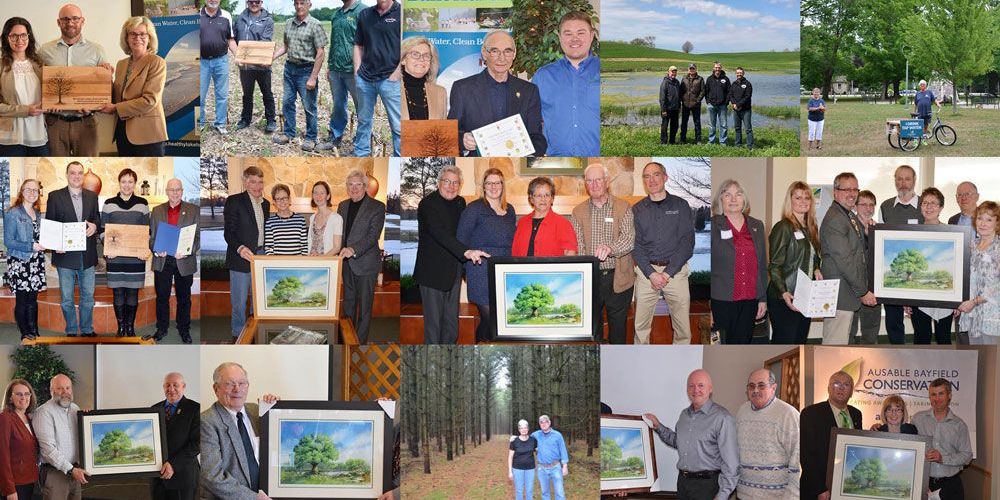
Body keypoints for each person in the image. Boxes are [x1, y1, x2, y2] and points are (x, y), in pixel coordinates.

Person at [415, 166, 489, 344]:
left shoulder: (460, 203)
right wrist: (466, 252)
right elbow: (439, 233)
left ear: (460, 185)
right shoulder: (427, 204)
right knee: (434, 328)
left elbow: (465, 233)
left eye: (455, 182)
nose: (451, 186)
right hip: (431, 274)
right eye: (447, 181)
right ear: (439, 183)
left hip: (453, 272)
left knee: (451, 325)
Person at [643, 369, 739, 499]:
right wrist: (658, 426)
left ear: (710, 389)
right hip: (683, 483)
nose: (695, 390)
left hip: (708, 487)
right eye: (691, 386)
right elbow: (678, 442)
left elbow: (731, 463)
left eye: (701, 385)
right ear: (687, 390)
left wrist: (722, 495)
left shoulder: (722, 418)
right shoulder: (684, 415)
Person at [448, 30, 545, 156]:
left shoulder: (529, 91)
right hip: (475, 166)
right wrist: (463, 140)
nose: (502, 57)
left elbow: (537, 138)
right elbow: (450, 134)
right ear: (484, 53)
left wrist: (529, 153)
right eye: (495, 51)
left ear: (514, 54)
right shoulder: (462, 88)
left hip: (515, 166)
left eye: (507, 51)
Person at [632, 162, 695, 344]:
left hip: (675, 272)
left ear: (665, 177)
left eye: (656, 174)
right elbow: (636, 245)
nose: (651, 180)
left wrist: (667, 273)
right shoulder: (637, 210)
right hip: (646, 273)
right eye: (647, 176)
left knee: (683, 328)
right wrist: (651, 274)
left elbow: (687, 243)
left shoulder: (681, 205)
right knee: (640, 328)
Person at [571, 164, 635, 344]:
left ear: (607, 182)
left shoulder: (623, 207)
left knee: (618, 328)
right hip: (592, 278)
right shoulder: (578, 211)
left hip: (618, 277)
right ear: (586, 184)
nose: (594, 184)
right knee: (592, 328)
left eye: (598, 179)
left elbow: (629, 239)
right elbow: (579, 246)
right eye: (589, 180)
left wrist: (610, 248)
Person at [39, 4, 112, 156]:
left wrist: (106, 74)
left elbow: (105, 87)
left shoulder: (97, 50)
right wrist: (47, 103)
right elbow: (39, 84)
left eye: (75, 18)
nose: (70, 23)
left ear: (82, 21)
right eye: (65, 19)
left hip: (86, 122)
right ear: (59, 22)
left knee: (89, 164)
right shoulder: (45, 51)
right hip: (55, 122)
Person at [200, 363, 279, 500]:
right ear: (216, 388)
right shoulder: (206, 421)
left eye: (242, 383)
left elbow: (279, 443)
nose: (237, 389)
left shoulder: (256, 411)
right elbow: (211, 476)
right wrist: (253, 498)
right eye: (230, 384)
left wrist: (278, 409)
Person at [457, 168, 516, 342]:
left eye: (497, 182)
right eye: (489, 183)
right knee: (490, 317)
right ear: (483, 186)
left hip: (504, 269)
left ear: (503, 185)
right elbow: (461, 240)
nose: (493, 186)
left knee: (498, 318)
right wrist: (464, 269)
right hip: (480, 269)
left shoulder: (510, 210)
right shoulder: (474, 208)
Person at [531, 11, 599, 156]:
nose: (574, 39)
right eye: (568, 34)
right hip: (555, 160)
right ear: (560, 37)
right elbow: (530, 122)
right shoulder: (543, 76)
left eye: (581, 33)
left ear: (591, 36)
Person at [45, 161, 101, 337]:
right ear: (67, 174)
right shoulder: (54, 196)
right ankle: (70, 329)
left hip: (88, 256)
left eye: (79, 173)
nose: (76, 176)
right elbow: (50, 226)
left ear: (83, 176)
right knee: (67, 299)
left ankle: (86, 329)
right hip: (65, 257)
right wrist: (55, 246)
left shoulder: (92, 196)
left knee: (88, 298)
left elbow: (97, 220)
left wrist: (94, 226)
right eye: (72, 173)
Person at [819, 172, 876, 344]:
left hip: (847, 293)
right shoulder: (836, 219)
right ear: (835, 192)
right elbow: (845, 261)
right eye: (846, 189)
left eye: (855, 189)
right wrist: (863, 291)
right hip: (840, 295)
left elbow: (859, 251)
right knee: (835, 343)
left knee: (842, 342)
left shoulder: (848, 215)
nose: (852, 194)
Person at [98, 17, 167, 156]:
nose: (138, 38)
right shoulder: (121, 64)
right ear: (126, 38)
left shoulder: (157, 62)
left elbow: (150, 100)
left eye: (142, 34)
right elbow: (118, 96)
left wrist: (116, 108)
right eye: (133, 34)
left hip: (148, 134)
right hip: (122, 132)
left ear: (149, 38)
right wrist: (105, 76)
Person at [710, 179, 767, 344]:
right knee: (718, 346)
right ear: (721, 199)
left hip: (750, 301)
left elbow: (762, 265)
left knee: (742, 343)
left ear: (744, 199)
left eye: (738, 194)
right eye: (728, 195)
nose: (733, 199)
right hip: (721, 302)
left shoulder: (757, 226)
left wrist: (762, 298)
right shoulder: (714, 226)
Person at [767, 181, 822, 344]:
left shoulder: (811, 227)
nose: (803, 201)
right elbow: (775, 265)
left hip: (804, 295)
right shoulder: (783, 227)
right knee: (785, 342)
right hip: (784, 296)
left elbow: (812, 256)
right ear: (790, 201)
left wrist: (817, 269)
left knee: (800, 341)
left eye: (807, 197)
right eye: (798, 197)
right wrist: (784, 292)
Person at [271, 0, 327, 151]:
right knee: (287, 103)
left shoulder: (315, 24)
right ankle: (289, 133)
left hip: (306, 70)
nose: (299, 6)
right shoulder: (289, 23)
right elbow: (286, 46)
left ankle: (311, 137)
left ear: (309, 5)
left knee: (309, 107)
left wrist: (313, 77)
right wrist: (272, 56)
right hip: (289, 69)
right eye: (296, 3)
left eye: (302, 3)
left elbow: (321, 53)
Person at [147, 179, 198, 344]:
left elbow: (197, 238)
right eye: (172, 190)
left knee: (184, 298)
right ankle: (161, 329)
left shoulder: (193, 210)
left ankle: (184, 330)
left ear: (182, 191)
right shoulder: (156, 211)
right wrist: (156, 249)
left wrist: (187, 251)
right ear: (167, 191)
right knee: (162, 297)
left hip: (184, 260)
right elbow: (152, 238)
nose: (175, 193)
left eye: (178, 190)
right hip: (163, 260)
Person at [337, 171, 386, 343]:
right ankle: (347, 339)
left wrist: (353, 249)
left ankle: (360, 343)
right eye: (351, 184)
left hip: (366, 264)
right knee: (348, 304)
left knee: (365, 308)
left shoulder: (377, 207)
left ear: (365, 187)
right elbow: (340, 234)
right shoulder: (342, 206)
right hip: (347, 264)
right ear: (347, 187)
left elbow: (373, 236)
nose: (354, 188)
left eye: (358, 184)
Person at [735, 368, 799, 499]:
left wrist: (791, 496)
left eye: (761, 386)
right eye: (751, 386)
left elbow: (797, 459)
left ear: (773, 387)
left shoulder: (788, 414)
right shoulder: (742, 411)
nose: (756, 390)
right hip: (743, 494)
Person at [101, 168, 150, 337]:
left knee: (132, 293)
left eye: (130, 181)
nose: (127, 185)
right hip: (115, 258)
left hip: (136, 259)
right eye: (124, 181)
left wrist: (144, 249)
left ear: (135, 183)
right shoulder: (108, 203)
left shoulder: (143, 204)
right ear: (119, 183)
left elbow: (147, 231)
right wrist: (108, 249)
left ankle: (130, 327)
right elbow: (102, 230)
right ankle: (120, 326)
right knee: (118, 292)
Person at [799, 371, 861, 500]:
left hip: (847, 486)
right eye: (836, 383)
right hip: (819, 490)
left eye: (846, 384)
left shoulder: (856, 414)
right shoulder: (811, 413)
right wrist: (820, 489)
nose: (841, 387)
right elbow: (806, 454)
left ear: (851, 391)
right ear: (828, 388)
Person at [352, 0, 402, 156]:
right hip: (365, 79)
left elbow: (410, 46)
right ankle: (361, 154)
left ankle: (400, 157)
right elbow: (358, 45)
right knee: (363, 121)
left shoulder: (401, 13)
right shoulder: (365, 14)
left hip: (391, 79)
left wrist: (396, 74)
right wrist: (357, 71)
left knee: (398, 125)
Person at [224, 167, 269, 340]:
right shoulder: (234, 201)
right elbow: (229, 232)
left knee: (257, 302)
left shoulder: (265, 203)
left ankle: (255, 333)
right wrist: (240, 248)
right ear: (245, 182)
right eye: (252, 181)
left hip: (261, 257)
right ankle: (238, 336)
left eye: (260, 181)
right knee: (239, 303)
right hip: (240, 258)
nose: (257, 186)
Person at [880, 164, 922, 344]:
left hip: (919, 273)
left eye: (907, 179)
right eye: (899, 178)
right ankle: (897, 351)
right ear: (894, 181)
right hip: (892, 273)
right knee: (893, 320)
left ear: (914, 181)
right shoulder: (885, 206)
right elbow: (880, 241)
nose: (903, 183)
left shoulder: (924, 205)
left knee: (921, 321)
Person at [912, 378, 973, 499]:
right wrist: (880, 427)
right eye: (933, 394)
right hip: (924, 484)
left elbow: (967, 456)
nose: (937, 398)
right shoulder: (918, 419)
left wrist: (942, 458)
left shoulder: (959, 425)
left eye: (941, 394)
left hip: (951, 485)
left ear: (949, 395)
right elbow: (906, 442)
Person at [909, 187, 954, 344]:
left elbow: (957, 270)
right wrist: (906, 299)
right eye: (925, 203)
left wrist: (957, 300)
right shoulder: (911, 234)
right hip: (919, 297)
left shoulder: (953, 234)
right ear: (920, 207)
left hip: (946, 297)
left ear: (941, 208)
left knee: (944, 338)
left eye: (933, 203)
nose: (929, 207)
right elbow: (910, 268)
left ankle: (947, 369)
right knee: (921, 337)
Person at [317, 0, 363, 149]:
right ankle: (335, 137)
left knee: (362, 107)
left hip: (355, 71)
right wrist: (330, 65)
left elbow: (367, 43)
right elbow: (334, 42)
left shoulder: (363, 11)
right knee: (338, 105)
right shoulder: (336, 15)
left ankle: (361, 141)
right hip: (336, 70)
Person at [33, 374, 88, 500]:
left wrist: (86, 418)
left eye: (68, 388)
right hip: (55, 474)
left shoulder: (75, 409)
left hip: (75, 471)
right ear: (51, 391)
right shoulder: (44, 412)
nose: (65, 392)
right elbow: (48, 450)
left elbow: (81, 438)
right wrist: (71, 470)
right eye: (60, 388)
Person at [4, 179, 46, 340]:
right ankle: (24, 331)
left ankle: (33, 329)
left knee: (32, 299)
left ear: (38, 194)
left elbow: (42, 238)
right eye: (28, 189)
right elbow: (9, 241)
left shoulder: (38, 214)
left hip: (36, 262)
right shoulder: (13, 213)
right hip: (20, 262)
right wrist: (31, 246)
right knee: (22, 299)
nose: (32, 192)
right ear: (22, 191)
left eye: (35, 190)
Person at [0, 17, 47, 156]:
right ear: (6, 38)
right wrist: (24, 110)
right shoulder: (1, 66)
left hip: (38, 132)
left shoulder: (40, 64)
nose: (19, 40)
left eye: (23, 35)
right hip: (10, 136)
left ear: (29, 37)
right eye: (14, 36)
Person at [150, 373, 199, 500]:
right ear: (163, 387)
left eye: (175, 385)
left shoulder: (195, 409)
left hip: (182, 478)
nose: (171, 389)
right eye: (167, 385)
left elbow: (197, 443)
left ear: (183, 386)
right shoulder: (153, 409)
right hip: (157, 478)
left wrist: (173, 464)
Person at [957, 201, 1000, 345]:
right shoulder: (971, 245)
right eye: (980, 218)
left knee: (993, 362)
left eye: (989, 219)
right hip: (972, 313)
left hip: (992, 314)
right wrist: (958, 302)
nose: (983, 223)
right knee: (977, 360)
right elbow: (964, 277)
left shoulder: (998, 248)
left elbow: (997, 286)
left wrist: (974, 302)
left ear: (997, 223)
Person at [233, 0, 277, 133]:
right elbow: (235, 39)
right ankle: (246, 119)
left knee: (267, 94)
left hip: (262, 66)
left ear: (261, 2)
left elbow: (265, 41)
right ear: (247, 2)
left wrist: (252, 55)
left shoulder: (268, 20)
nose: (254, 4)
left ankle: (270, 120)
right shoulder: (239, 19)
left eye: (257, 1)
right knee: (247, 95)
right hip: (245, 67)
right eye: (251, 1)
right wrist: (239, 55)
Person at [512, 177, 577, 257]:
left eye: (547, 195)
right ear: (531, 199)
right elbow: (515, 252)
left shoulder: (563, 223)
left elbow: (570, 253)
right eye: (539, 195)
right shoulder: (522, 223)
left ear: (552, 198)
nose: (543, 199)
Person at [849, 190, 882, 344]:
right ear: (855, 206)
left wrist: (872, 235)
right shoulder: (847, 226)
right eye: (863, 204)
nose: (868, 208)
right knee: (849, 332)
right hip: (852, 289)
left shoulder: (878, 230)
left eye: (871, 205)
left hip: (872, 289)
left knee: (870, 333)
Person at [200, 0, 237, 134]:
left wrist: (238, 55)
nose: (213, 0)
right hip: (201, 62)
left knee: (222, 95)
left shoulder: (226, 16)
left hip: (221, 61)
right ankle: (200, 123)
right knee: (199, 96)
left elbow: (230, 39)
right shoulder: (196, 16)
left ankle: (220, 123)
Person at [0, 379, 38, 500]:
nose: (23, 397)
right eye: (19, 394)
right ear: (10, 397)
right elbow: (2, 455)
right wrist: (9, 489)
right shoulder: (5, 417)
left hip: (29, 481)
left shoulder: (28, 417)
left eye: (27, 394)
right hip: (15, 485)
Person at [398, 36, 446, 120]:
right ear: (403, 60)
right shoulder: (388, 90)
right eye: (415, 54)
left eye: (426, 56)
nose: (421, 59)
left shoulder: (440, 92)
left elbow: (442, 131)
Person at [263, 184, 307, 255]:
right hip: (278, 264)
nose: (282, 201)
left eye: (284, 198)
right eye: (278, 199)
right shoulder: (270, 222)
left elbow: (304, 246)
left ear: (289, 199)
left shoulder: (300, 220)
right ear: (274, 202)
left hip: (297, 264)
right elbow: (269, 247)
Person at [532, 415, 568, 500]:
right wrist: (515, 438)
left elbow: (563, 450)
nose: (544, 424)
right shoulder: (536, 435)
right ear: (539, 424)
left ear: (549, 423)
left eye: (546, 421)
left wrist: (565, 466)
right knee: (545, 493)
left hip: (555, 467)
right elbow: (525, 438)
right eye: (541, 422)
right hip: (542, 468)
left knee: (559, 493)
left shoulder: (557, 435)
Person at [307, 181, 343, 256]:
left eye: (322, 193)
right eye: (315, 193)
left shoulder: (337, 218)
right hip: (311, 261)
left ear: (328, 196)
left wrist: (322, 258)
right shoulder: (312, 218)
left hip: (327, 263)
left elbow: (337, 247)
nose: (318, 196)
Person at [507, 419, 537, 500]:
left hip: (530, 469)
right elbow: (510, 457)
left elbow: (538, 451)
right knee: (519, 491)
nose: (523, 430)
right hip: (517, 469)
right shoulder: (514, 441)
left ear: (528, 428)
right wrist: (510, 471)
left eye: (525, 427)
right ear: (519, 429)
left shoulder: (533, 440)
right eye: (521, 428)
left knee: (529, 490)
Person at [704, 62, 729, 146]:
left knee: (723, 125)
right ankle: (711, 141)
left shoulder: (725, 79)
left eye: (719, 67)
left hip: (722, 106)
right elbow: (706, 91)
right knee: (711, 124)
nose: (717, 69)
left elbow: (729, 92)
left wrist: (726, 102)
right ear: (713, 68)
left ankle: (723, 142)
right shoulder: (709, 79)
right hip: (712, 105)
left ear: (721, 68)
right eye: (716, 67)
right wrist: (708, 101)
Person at [728, 67, 753, 150]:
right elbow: (730, 95)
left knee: (748, 129)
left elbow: (747, 96)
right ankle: (738, 144)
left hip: (746, 110)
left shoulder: (748, 84)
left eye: (740, 73)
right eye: (737, 73)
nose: (739, 74)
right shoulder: (734, 84)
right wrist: (733, 103)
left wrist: (738, 104)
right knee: (737, 128)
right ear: (736, 74)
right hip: (736, 110)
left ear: (743, 73)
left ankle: (750, 146)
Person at [679, 63, 704, 144]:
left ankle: (698, 139)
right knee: (684, 122)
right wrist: (682, 100)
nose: (691, 70)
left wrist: (698, 100)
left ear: (696, 69)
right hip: (685, 104)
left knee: (697, 122)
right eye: (690, 68)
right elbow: (681, 91)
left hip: (696, 105)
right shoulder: (684, 78)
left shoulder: (700, 79)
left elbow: (703, 91)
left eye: (693, 68)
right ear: (688, 69)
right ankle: (682, 139)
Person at [658, 65, 681, 144]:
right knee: (664, 126)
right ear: (668, 72)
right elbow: (662, 98)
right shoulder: (665, 82)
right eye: (672, 72)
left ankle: (672, 141)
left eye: (675, 72)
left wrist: (679, 107)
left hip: (675, 109)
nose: (673, 73)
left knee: (675, 126)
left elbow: (679, 96)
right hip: (667, 109)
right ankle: (663, 141)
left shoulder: (677, 82)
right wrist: (663, 110)